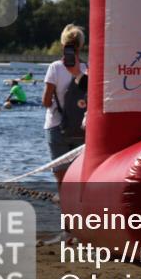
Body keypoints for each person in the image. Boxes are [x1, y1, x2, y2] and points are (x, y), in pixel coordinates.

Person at [41, 24, 88, 186]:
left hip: (56, 126)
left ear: (63, 44)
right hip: (81, 128)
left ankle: (64, 208)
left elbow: (46, 102)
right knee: (79, 177)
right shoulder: (87, 68)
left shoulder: (54, 68)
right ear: (81, 45)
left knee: (62, 180)